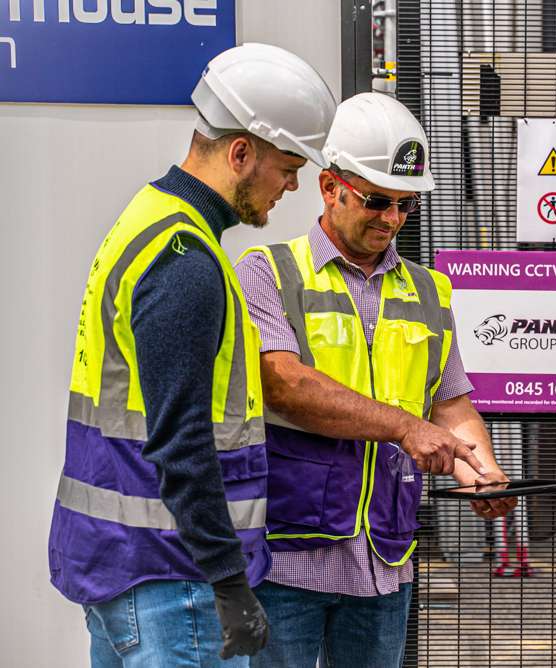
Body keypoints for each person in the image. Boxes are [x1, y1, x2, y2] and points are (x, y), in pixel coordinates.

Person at [47, 43, 338, 666]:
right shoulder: (185, 264)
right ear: (241, 153)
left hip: (128, 564)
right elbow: (181, 441)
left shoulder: (149, 220)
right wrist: (229, 582)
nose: (292, 184)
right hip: (175, 581)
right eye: (288, 165)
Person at [234, 92, 517, 668]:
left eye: (406, 206)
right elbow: (285, 385)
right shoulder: (269, 272)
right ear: (330, 187)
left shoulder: (430, 291)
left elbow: (451, 401)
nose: (392, 219)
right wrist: (405, 429)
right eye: (378, 200)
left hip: (385, 560)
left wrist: (481, 471)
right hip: (288, 557)